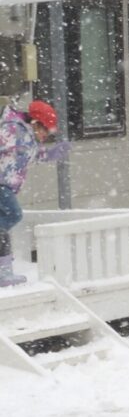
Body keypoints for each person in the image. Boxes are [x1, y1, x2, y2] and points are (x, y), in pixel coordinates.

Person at [0, 100, 70, 287]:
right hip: (1, 184)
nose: (47, 135)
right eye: (46, 130)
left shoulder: (27, 136)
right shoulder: (13, 129)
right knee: (13, 214)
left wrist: (50, 154)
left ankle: (4, 273)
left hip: (6, 185)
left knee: (3, 225)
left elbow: (30, 155)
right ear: (36, 123)